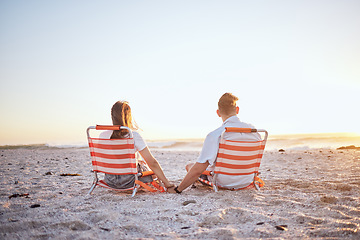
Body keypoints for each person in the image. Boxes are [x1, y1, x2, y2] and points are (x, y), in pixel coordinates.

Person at [172, 93, 261, 194]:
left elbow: (198, 169)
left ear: (218, 113)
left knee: (190, 166)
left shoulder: (217, 134)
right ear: (237, 110)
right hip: (246, 180)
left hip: (223, 182)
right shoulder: (254, 131)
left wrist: (178, 189)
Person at [99, 100, 175, 192]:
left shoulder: (103, 135)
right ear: (129, 117)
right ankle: (163, 182)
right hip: (130, 181)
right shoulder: (132, 135)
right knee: (151, 169)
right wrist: (168, 184)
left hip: (110, 180)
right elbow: (152, 163)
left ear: (112, 116)